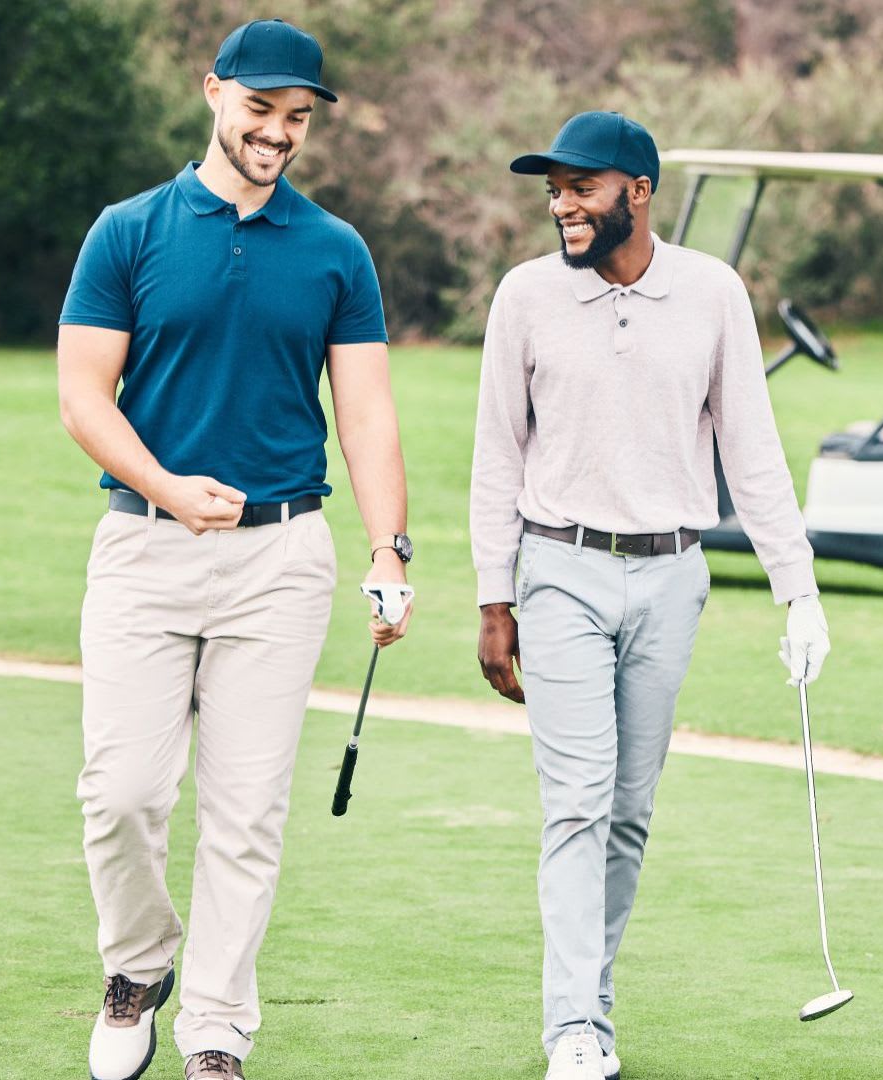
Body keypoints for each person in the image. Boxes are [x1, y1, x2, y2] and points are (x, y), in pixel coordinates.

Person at [56, 19, 414, 1080]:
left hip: (282, 562)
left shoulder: (336, 250)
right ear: (213, 92)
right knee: (121, 794)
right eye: (261, 109)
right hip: (144, 548)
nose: (278, 133)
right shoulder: (127, 232)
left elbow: (367, 415)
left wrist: (389, 551)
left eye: (297, 116)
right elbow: (84, 396)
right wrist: (168, 487)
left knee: (246, 814)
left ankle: (216, 1025)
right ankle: (137, 968)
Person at [469, 110, 831, 1080]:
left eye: (580, 188)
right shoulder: (526, 296)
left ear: (637, 191)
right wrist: (494, 597)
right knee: (578, 803)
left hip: (673, 576)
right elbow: (497, 452)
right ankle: (573, 1026)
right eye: (554, 191)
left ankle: (593, 1003)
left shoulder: (712, 293)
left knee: (628, 811)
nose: (562, 206)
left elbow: (752, 449)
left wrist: (797, 591)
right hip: (561, 570)